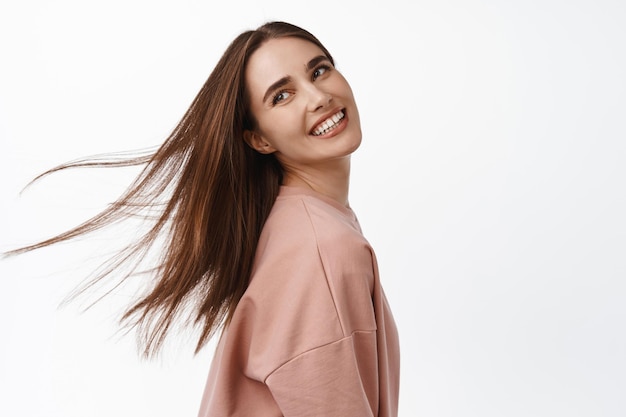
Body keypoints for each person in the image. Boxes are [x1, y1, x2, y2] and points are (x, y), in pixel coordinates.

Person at [7, 21, 400, 416]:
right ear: (259, 139)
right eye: (282, 95)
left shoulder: (298, 222)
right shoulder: (322, 246)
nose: (318, 97)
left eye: (319, 70)